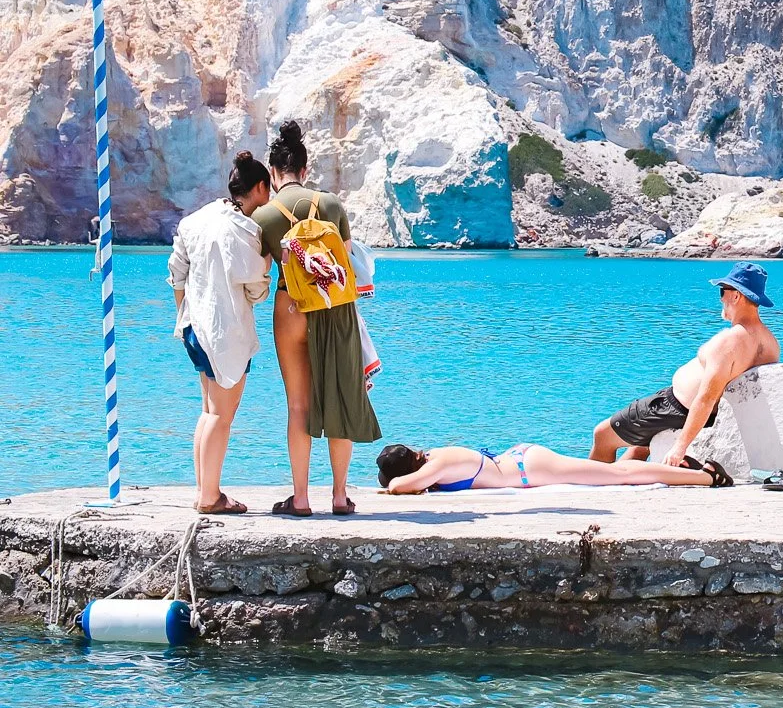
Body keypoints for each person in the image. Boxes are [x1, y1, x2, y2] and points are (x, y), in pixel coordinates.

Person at [251, 120, 380, 516]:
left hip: (290, 308)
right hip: (333, 308)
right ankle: (340, 496)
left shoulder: (265, 216)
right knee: (340, 398)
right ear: (306, 170)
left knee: (297, 406)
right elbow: (347, 261)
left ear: (273, 174)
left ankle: (301, 498)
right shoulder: (332, 205)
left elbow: (258, 274)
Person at [591, 261, 781, 468]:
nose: (721, 299)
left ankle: (589, 487)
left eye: (722, 292)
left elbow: (707, 396)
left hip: (674, 408)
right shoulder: (770, 342)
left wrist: (679, 448)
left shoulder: (730, 340)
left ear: (736, 296)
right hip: (686, 410)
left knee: (602, 435)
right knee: (638, 447)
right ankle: (616, 483)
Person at [167, 152, 274, 515]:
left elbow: (176, 273)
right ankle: (210, 497)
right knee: (221, 416)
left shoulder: (195, 220)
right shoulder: (244, 230)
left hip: (193, 327)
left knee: (208, 411)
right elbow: (257, 288)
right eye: (268, 191)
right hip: (223, 333)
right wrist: (268, 264)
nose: (269, 199)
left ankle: (204, 490)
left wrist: (183, 312)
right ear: (259, 188)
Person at [377, 442, 729, 493]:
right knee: (615, 474)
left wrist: (392, 485)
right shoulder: (436, 455)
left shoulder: (435, 466)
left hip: (533, 470)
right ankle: (675, 464)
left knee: (623, 477)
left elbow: (398, 488)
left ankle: (706, 476)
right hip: (523, 460)